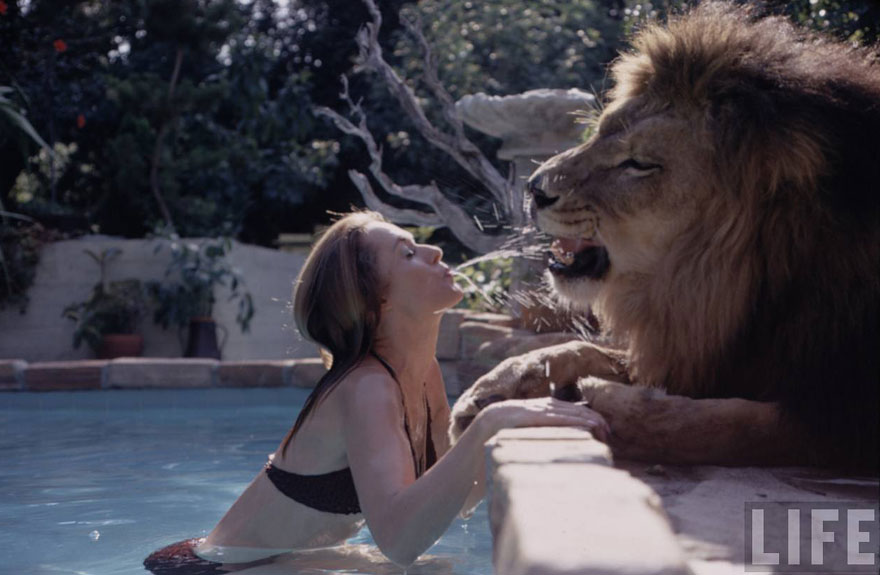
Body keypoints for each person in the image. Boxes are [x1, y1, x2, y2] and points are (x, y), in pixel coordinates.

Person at [144, 210, 609, 573]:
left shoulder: (421, 372)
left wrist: (521, 419)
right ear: (377, 301)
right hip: (218, 568)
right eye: (407, 254)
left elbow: (460, 499)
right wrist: (488, 424)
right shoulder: (368, 387)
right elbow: (400, 541)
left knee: (436, 569)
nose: (434, 252)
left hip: (279, 560)